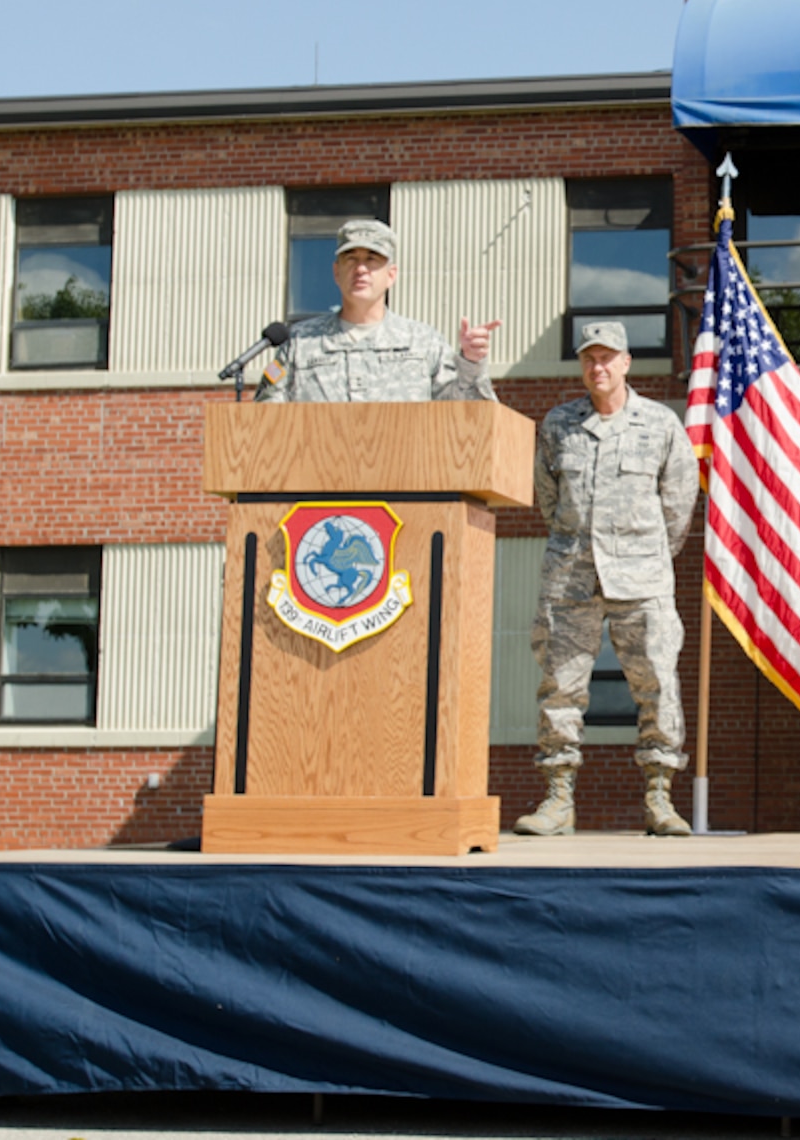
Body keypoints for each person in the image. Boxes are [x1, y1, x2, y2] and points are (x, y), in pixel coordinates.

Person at [515, 321, 698, 837]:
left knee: (657, 684)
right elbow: (548, 499)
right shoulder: (558, 425)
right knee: (560, 687)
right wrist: (581, 542)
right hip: (570, 575)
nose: (598, 367)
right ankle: (557, 800)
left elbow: (679, 503)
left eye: (608, 357)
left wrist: (643, 554)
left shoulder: (660, 425)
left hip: (642, 576)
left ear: (626, 363)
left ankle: (660, 799)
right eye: (589, 358)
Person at [256, 218, 500, 402]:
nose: (361, 269)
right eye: (351, 259)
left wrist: (471, 362)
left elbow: (464, 414)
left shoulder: (423, 342)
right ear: (336, 272)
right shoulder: (300, 343)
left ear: (391, 275)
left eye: (372, 259)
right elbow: (266, 418)